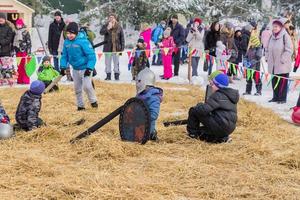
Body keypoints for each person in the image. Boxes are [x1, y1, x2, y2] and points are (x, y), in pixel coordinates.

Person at [187, 73, 239, 143]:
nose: (211, 86)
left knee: (194, 110)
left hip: (220, 125)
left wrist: (199, 105)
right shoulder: (229, 95)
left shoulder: (218, 95)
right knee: (203, 132)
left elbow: (203, 110)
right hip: (229, 128)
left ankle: (192, 134)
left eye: (212, 84)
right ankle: (223, 138)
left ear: (218, 86)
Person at [60, 22, 98, 111]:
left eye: (72, 33)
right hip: (75, 69)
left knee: (87, 86)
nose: (69, 35)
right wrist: (62, 67)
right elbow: (64, 56)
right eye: (68, 33)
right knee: (77, 88)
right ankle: (80, 106)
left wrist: (89, 68)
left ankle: (93, 102)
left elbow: (92, 56)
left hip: (85, 68)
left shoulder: (83, 41)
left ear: (76, 33)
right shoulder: (66, 42)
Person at [265, 18, 293, 104]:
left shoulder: (285, 36)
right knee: (275, 81)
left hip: (282, 64)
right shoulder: (271, 36)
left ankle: (282, 98)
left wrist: (283, 59)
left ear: (281, 27)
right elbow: (267, 48)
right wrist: (267, 57)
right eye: (273, 27)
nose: (274, 28)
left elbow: (289, 50)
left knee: (282, 82)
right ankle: (275, 97)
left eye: (276, 27)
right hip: (273, 64)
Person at [136, 68, 163, 141]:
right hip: (137, 129)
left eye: (139, 81)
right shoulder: (141, 95)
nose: (137, 84)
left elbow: (154, 115)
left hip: (147, 132)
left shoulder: (154, 98)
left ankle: (152, 135)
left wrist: (140, 116)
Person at [100, 13, 125, 81]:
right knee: (107, 63)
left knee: (116, 62)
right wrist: (108, 28)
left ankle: (117, 75)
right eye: (110, 17)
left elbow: (122, 37)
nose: (111, 19)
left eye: (112, 17)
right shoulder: (105, 25)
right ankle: (108, 75)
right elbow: (101, 32)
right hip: (107, 47)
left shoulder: (119, 27)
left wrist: (122, 47)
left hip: (117, 48)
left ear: (115, 18)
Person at [243, 26, 263, 96]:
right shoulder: (250, 48)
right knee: (248, 79)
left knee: (256, 78)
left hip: (255, 67)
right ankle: (248, 91)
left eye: (253, 41)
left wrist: (250, 63)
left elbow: (258, 57)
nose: (252, 43)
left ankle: (259, 91)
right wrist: (245, 61)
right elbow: (245, 56)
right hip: (248, 66)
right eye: (251, 41)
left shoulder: (258, 49)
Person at [13, 18, 31, 85]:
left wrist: (28, 52)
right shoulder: (15, 32)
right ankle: (20, 80)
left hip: (24, 51)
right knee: (19, 66)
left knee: (25, 66)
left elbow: (29, 42)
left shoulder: (25, 32)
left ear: (22, 25)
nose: (18, 26)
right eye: (17, 25)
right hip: (18, 51)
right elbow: (14, 42)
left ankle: (25, 80)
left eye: (19, 24)